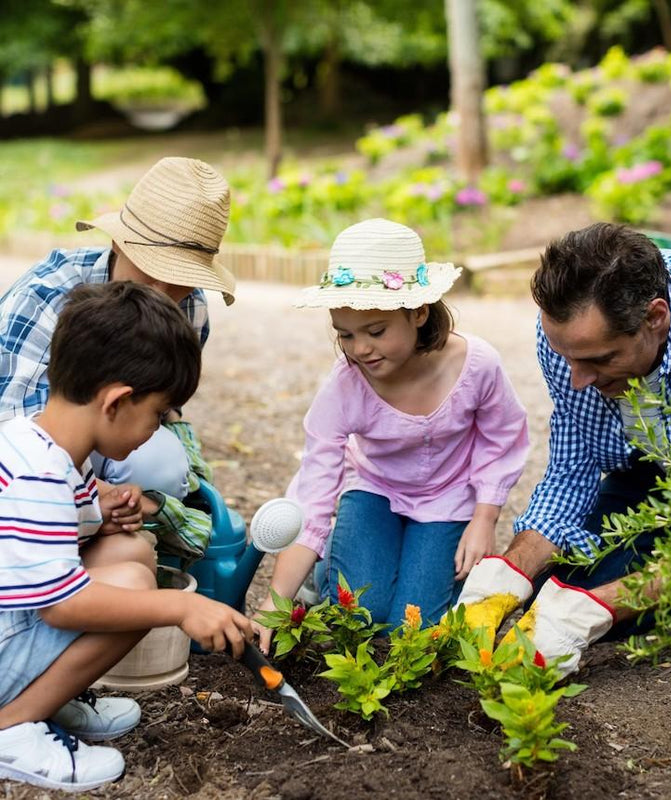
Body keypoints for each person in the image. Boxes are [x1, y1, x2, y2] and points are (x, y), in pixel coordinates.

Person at [456, 222, 671, 676]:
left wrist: (603, 605)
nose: (577, 378)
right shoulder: (572, 340)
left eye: (600, 360)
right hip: (661, 469)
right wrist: (507, 573)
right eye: (568, 359)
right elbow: (573, 469)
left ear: (655, 319)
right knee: (547, 587)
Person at [0, 282, 254, 792]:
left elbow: (46, 533)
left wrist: (97, 511)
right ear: (116, 401)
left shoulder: (32, 439)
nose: (156, 430)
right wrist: (180, 609)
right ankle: (14, 725)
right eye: (158, 416)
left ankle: (49, 695)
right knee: (138, 593)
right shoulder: (40, 477)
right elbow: (62, 607)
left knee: (130, 553)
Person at [255, 218, 529, 647]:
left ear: (418, 312)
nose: (360, 348)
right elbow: (314, 491)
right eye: (344, 334)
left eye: (376, 331)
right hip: (375, 489)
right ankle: (323, 570)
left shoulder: (476, 365)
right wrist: (273, 606)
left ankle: (403, 566)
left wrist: (484, 517)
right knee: (360, 617)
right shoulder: (346, 384)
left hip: (448, 498)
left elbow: (503, 436)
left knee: (409, 630)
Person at [0, 156, 237, 563]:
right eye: (148, 274)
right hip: (30, 449)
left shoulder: (191, 309)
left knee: (161, 463)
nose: (162, 293)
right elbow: (13, 424)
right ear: (117, 243)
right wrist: (88, 494)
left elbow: (161, 407)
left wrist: (132, 498)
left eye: (180, 280)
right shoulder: (47, 294)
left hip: (109, 436)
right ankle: (48, 541)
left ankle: (102, 543)